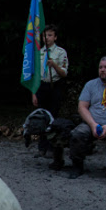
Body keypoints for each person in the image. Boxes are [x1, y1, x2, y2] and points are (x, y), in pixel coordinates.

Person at [50, 56, 106, 180]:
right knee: (78, 133)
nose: (102, 70)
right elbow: (82, 107)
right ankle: (77, 165)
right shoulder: (90, 85)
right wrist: (93, 124)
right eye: (100, 67)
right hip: (92, 122)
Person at [31, 24, 69, 157]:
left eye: (50, 35)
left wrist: (54, 65)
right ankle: (42, 147)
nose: (46, 38)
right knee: (42, 117)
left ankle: (53, 147)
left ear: (55, 37)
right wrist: (33, 92)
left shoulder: (60, 52)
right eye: (44, 35)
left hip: (55, 86)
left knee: (53, 117)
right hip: (42, 86)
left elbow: (64, 73)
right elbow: (35, 75)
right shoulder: (39, 52)